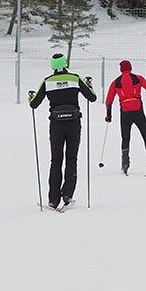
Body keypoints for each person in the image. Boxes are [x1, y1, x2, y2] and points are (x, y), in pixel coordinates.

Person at [29, 53, 97, 209]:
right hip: (74, 123)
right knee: (72, 159)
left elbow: (34, 104)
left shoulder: (47, 82)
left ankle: (53, 199)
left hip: (56, 125)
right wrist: (89, 86)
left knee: (56, 160)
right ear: (65, 64)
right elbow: (92, 97)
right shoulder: (75, 79)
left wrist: (30, 98)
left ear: (53, 66)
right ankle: (67, 194)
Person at [105, 60, 146, 174]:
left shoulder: (116, 82)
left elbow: (109, 100)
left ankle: (125, 165)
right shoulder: (138, 78)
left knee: (125, 138)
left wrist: (108, 115)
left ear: (121, 69)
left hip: (125, 113)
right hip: (138, 111)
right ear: (130, 68)